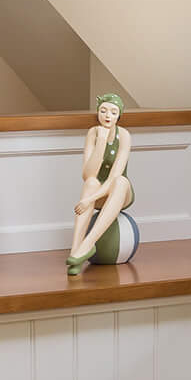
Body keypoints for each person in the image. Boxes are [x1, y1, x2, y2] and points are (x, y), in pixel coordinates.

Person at [67, 94, 135, 276]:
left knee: (120, 182)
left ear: (119, 116)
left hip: (119, 192)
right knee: (90, 182)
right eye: (103, 111)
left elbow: (114, 176)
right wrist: (101, 142)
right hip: (97, 190)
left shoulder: (125, 135)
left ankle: (88, 245)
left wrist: (89, 199)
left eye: (113, 112)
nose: (107, 116)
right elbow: (88, 174)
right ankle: (75, 252)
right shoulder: (93, 133)